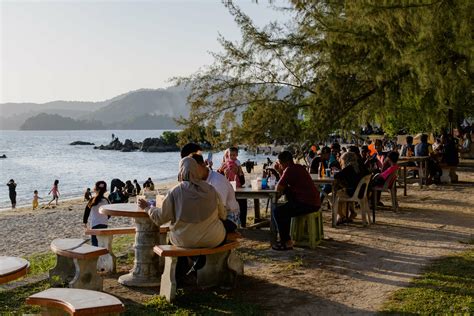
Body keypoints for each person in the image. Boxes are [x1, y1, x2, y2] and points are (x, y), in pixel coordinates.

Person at [139, 157, 227, 248]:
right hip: (212, 239)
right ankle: (197, 259)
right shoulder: (211, 189)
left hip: (183, 241)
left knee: (178, 239)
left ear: (181, 172)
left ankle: (186, 261)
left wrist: (148, 207)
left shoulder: (174, 192)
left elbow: (160, 218)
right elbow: (223, 215)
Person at [272, 151, 321, 251]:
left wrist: (280, 171)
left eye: (280, 163)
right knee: (285, 209)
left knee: (278, 212)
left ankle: (286, 242)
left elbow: (279, 187)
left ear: (283, 162)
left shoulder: (289, 170)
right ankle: (286, 238)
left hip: (307, 203)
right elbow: (285, 182)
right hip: (314, 201)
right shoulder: (298, 167)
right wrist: (280, 171)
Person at [192, 154, 240, 232]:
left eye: (195, 169)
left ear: (203, 164)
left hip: (229, 218)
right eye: (190, 170)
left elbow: (221, 211)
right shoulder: (199, 181)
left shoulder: (217, 182)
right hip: (213, 216)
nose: (193, 173)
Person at [334, 152, 369, 224]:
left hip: (354, 192)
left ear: (346, 160)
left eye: (342, 160)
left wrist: (336, 170)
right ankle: (351, 213)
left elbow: (336, 176)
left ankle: (341, 215)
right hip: (362, 192)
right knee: (342, 191)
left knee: (333, 195)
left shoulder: (349, 167)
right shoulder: (360, 166)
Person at [218, 147, 247, 227]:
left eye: (234, 155)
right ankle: (229, 224)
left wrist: (239, 172)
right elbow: (219, 180)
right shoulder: (223, 166)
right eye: (230, 155)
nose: (232, 157)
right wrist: (221, 172)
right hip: (227, 190)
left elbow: (243, 182)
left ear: (237, 155)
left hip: (237, 188)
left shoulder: (237, 165)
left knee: (243, 200)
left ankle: (243, 224)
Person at [83, 181, 110, 247]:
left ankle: (97, 256)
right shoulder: (106, 200)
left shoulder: (92, 200)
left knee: (95, 244)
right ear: (105, 191)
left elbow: (86, 212)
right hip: (104, 224)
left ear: (95, 189)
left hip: (94, 224)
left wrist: (85, 222)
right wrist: (105, 218)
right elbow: (109, 213)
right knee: (103, 242)